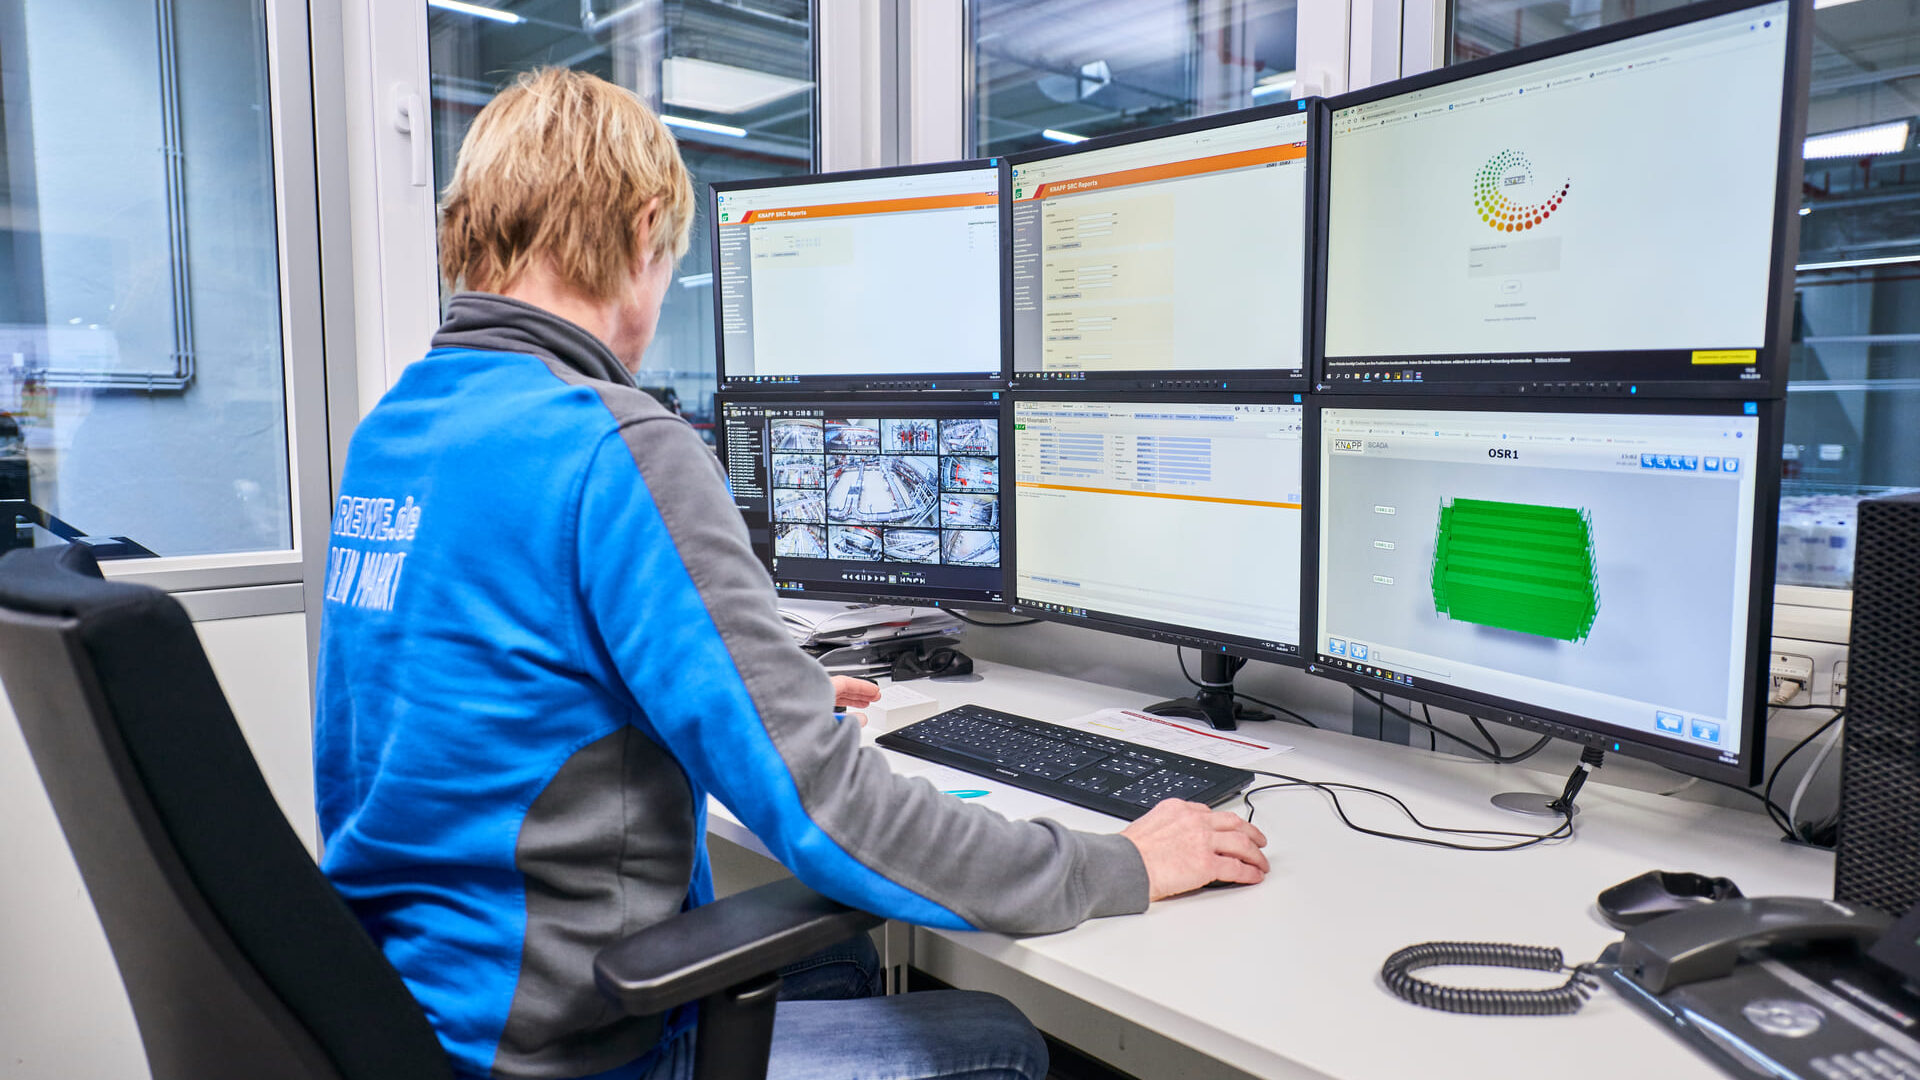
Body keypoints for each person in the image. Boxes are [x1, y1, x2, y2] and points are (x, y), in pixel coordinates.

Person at [313, 67, 1271, 1080]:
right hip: (568, 1050)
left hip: (414, 1014)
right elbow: (827, 816)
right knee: (1001, 1042)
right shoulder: (613, 444)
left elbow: (474, 696)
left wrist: (769, 690)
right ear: (645, 230)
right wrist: (1116, 864)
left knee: (849, 959)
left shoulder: (399, 430)